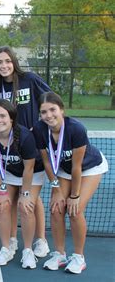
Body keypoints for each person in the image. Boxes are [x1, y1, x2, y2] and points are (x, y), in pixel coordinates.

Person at [33, 92, 108, 274]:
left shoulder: (76, 129)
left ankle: (78, 257)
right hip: (62, 169)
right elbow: (47, 161)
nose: (49, 115)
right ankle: (59, 254)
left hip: (89, 167)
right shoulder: (39, 129)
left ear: (62, 110)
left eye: (53, 110)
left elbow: (77, 167)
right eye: (44, 112)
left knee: (75, 211)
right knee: (57, 208)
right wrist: (56, 189)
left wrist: (74, 195)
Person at [0, 45, 51, 258]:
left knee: (32, 199)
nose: (4, 66)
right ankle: (12, 240)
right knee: (11, 199)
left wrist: (40, 123)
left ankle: (40, 240)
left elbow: (50, 100)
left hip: (29, 145)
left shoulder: (30, 79)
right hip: (7, 150)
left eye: (7, 61)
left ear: (14, 62)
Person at [0, 99, 44, 269]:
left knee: (26, 206)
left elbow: (29, 168)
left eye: (2, 116)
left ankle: (28, 250)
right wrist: (1, 189)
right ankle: (6, 248)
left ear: (11, 119)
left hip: (32, 173)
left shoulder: (24, 136)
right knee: (2, 205)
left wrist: (25, 194)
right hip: (7, 173)